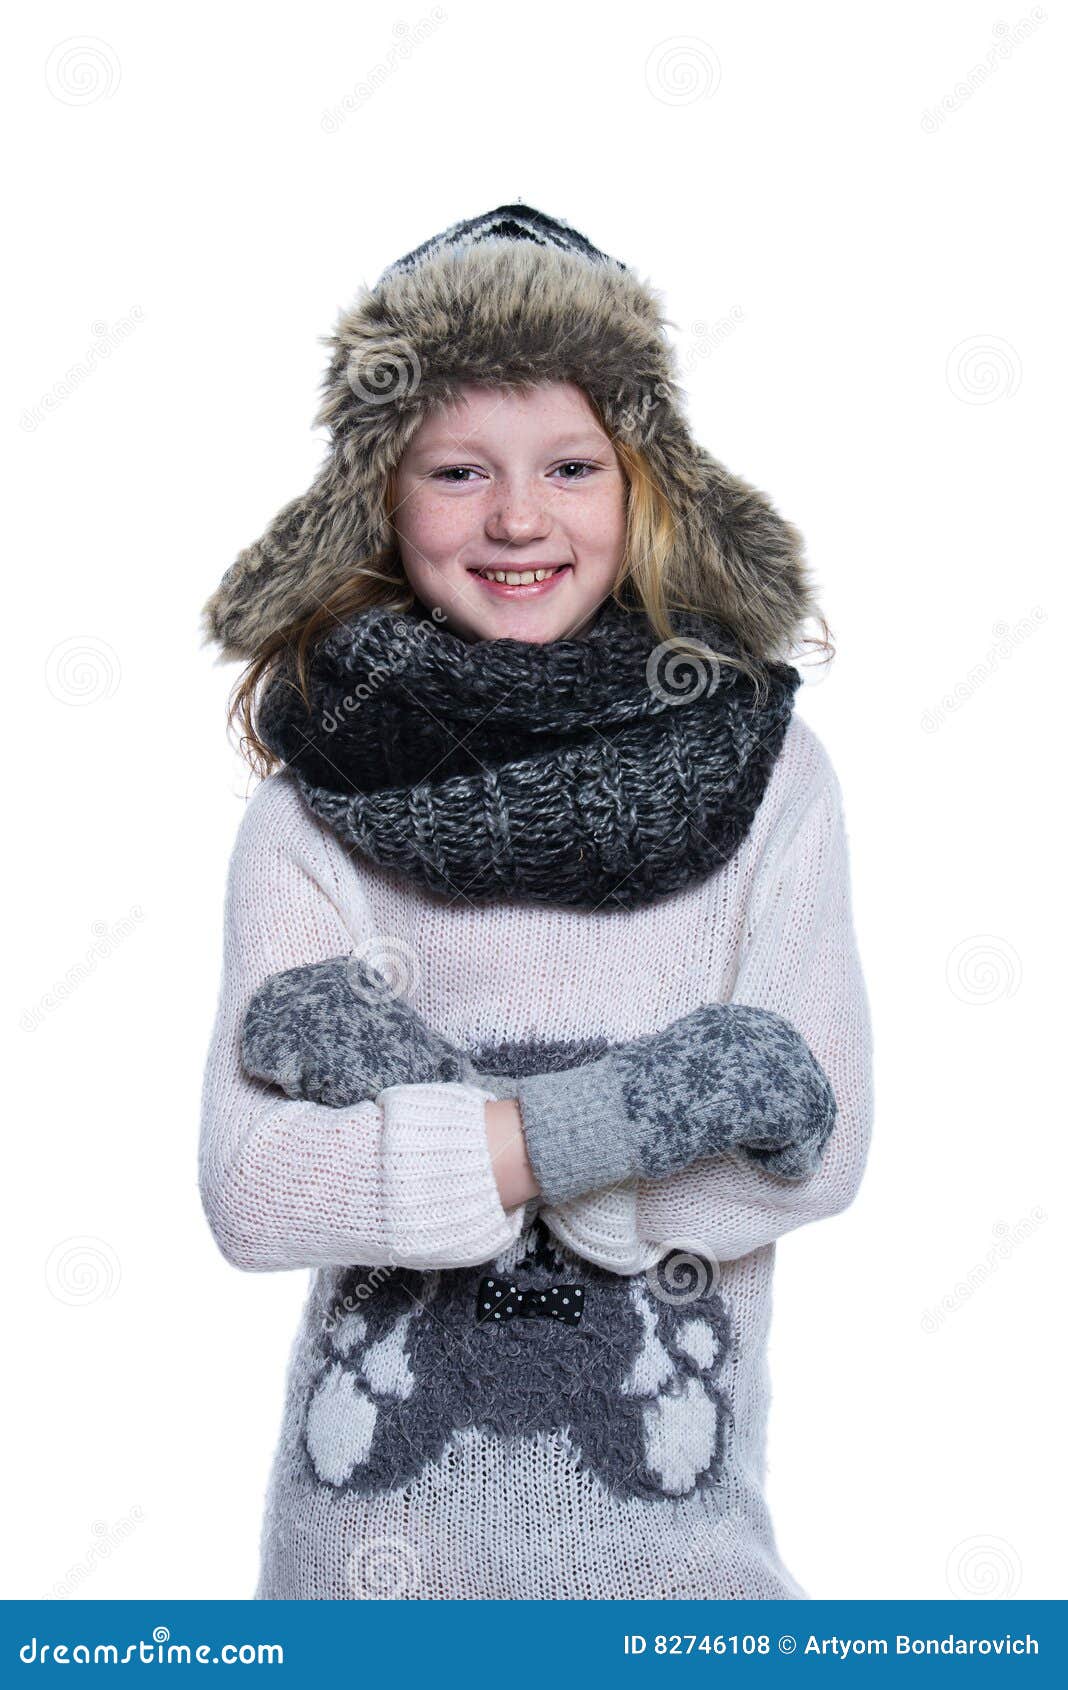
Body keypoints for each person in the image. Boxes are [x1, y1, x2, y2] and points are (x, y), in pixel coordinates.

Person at [197, 204, 875, 1601]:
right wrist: (627, 1118)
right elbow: (255, 1190)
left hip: (680, 1583)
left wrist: (445, 1136)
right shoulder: (314, 801)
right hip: (361, 1588)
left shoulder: (766, 777)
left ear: (646, 484)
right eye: (457, 470)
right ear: (379, 496)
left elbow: (816, 1143)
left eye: (571, 464)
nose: (517, 517)